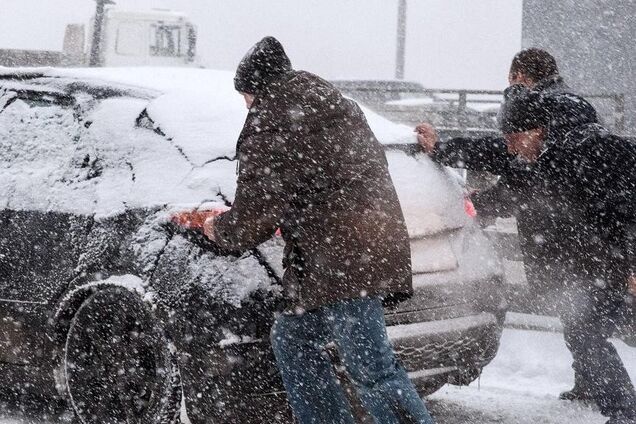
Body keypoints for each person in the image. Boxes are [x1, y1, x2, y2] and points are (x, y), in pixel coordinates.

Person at [173, 36, 434, 424]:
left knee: (372, 369)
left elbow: (253, 217)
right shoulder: (331, 103)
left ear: (254, 89)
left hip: (342, 261)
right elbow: (317, 182)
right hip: (361, 249)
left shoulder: (272, 120)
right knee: (293, 339)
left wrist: (213, 226)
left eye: (245, 96)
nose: (245, 105)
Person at [416, 81, 636, 423]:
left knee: (590, 334)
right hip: (585, 263)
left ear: (537, 129)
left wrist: (631, 263)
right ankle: (606, 396)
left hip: (612, 259)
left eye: (514, 139)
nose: (510, 148)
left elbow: (628, 210)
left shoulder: (597, 151)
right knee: (584, 331)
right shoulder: (537, 155)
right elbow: (505, 179)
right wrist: (442, 151)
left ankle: (624, 411)